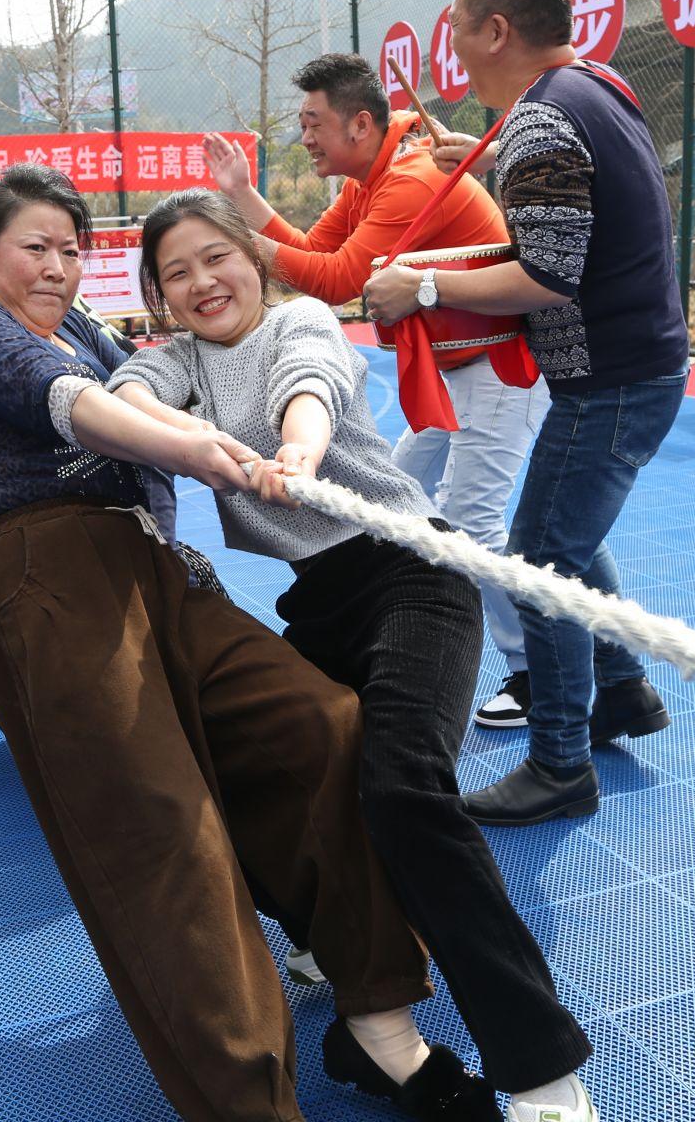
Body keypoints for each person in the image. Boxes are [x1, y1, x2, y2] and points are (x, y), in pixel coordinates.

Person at [0, 165, 494, 1122]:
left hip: (154, 567)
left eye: (73, 249)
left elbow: (170, 376)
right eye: (35, 248)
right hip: (42, 571)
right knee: (163, 831)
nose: (58, 266)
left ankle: (379, 1025)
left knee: (320, 724)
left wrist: (260, 432)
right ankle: (250, 1105)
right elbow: (70, 401)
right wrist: (192, 448)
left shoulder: (88, 333)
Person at [112, 189, 597, 1122]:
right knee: (251, 769)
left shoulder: (297, 320)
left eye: (217, 258)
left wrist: (298, 452)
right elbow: (129, 396)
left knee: (404, 788)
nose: (203, 282)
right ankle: (337, 938)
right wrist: (184, 437)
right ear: (160, 295)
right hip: (320, 600)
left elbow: (309, 389)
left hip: (412, 572)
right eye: (176, 273)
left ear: (254, 259)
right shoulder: (178, 363)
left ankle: (542, 1069)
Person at [364, 0, 686, 827]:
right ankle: (622, 690)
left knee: (541, 562)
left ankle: (559, 764)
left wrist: (421, 286)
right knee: (568, 539)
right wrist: (493, 154)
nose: (454, 54)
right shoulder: (593, 87)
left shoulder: (543, 123)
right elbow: (573, 199)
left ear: (497, 30)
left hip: (609, 381)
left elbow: (548, 274)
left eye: (459, 33)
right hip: (636, 368)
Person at [204, 54, 549, 725]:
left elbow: (337, 281)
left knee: (472, 521)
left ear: (360, 124)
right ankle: (384, 631)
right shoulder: (372, 180)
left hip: (502, 370)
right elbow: (313, 252)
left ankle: (539, 672)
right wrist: (241, 197)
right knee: (394, 497)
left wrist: (231, 243)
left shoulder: (410, 180)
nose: (304, 136)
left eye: (313, 122)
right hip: (456, 375)